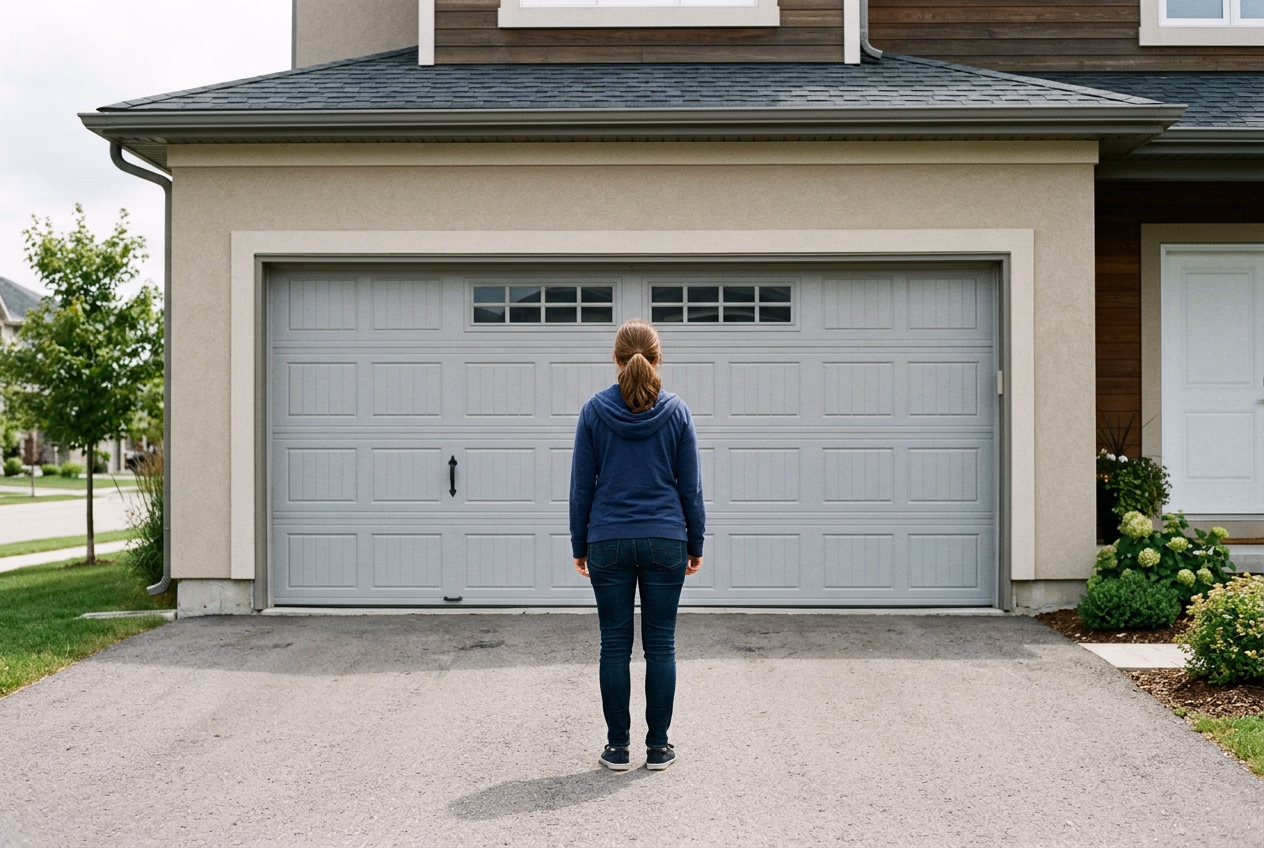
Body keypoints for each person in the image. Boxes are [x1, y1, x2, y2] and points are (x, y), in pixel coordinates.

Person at [569, 318, 705, 773]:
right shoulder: (678, 411)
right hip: (666, 538)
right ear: (657, 358)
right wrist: (696, 541)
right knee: (661, 646)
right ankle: (658, 748)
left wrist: (579, 543)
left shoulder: (593, 411)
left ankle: (617, 748)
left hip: (607, 538)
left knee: (614, 645)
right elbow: (692, 489)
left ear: (616, 360)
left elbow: (580, 489)